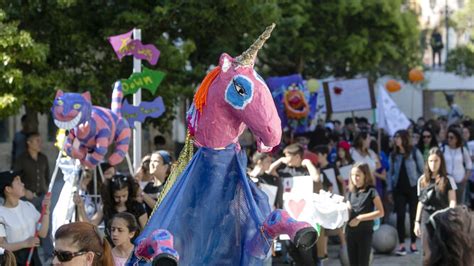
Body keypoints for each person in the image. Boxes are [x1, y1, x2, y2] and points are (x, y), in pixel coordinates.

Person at [268, 143, 320, 265]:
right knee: (291, 249)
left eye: (287, 155)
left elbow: (316, 178)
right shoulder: (284, 170)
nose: (285, 158)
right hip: (288, 219)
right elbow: (270, 171)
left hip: (305, 220)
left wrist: (308, 163)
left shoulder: (305, 170)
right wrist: (280, 160)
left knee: (305, 251)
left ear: (297, 156)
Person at [74, 174, 147, 242]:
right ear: (111, 195)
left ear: (129, 192)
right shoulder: (107, 208)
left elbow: (146, 230)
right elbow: (89, 226)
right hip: (111, 249)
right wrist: (81, 207)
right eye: (117, 197)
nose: (121, 199)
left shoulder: (137, 206)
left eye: (124, 196)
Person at [414, 148, 457, 263]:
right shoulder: (422, 180)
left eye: (436, 161)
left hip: (443, 218)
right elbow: (421, 202)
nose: (433, 164)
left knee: (443, 252)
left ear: (441, 161)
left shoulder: (448, 179)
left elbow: (452, 201)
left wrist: (450, 216)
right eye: (431, 161)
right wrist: (416, 222)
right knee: (427, 253)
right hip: (426, 219)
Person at [0, 171, 51, 265]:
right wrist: (25, 243)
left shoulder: (28, 206)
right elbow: (1, 246)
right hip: (13, 261)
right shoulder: (1, 215)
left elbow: (42, 233)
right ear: (8, 189)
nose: (23, 184)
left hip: (34, 259)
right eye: (18, 182)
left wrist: (46, 211)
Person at [388, 129, 424, 256]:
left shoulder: (414, 152)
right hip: (399, 189)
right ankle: (402, 244)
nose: (396, 140)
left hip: (413, 188)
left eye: (398, 137)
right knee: (400, 216)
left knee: (414, 216)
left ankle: (413, 244)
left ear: (404, 138)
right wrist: (389, 190)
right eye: (395, 137)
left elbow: (422, 170)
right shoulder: (393, 155)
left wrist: (422, 187)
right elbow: (390, 173)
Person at [345, 162, 384, 266]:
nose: (354, 178)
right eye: (352, 175)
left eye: (358, 175)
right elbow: (348, 210)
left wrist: (360, 218)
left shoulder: (371, 191)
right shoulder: (350, 192)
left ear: (365, 175)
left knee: (363, 263)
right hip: (350, 233)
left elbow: (381, 212)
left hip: (365, 234)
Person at [13, 132, 49, 209]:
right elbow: (15, 178)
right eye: (37, 141)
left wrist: (46, 191)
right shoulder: (21, 159)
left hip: (42, 197)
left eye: (41, 141)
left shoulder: (43, 158)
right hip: (27, 198)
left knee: (43, 219)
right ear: (29, 142)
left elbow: (47, 176)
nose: (40, 143)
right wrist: (25, 191)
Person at [442, 127, 472, 205]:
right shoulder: (443, 149)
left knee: (458, 204)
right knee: (446, 203)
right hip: (446, 181)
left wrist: (465, 177)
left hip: (459, 181)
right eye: (448, 137)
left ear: (457, 139)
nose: (449, 139)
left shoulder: (462, 149)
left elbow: (469, 164)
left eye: (451, 137)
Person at [140, 150, 172, 216]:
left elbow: (162, 209)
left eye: (156, 161)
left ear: (165, 167)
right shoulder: (148, 186)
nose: (151, 164)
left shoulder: (170, 186)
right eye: (151, 161)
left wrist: (143, 195)